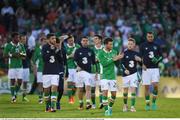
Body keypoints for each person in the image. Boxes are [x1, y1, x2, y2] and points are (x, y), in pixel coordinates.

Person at [98, 37, 123, 116]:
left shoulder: (114, 52)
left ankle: (110, 107)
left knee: (114, 95)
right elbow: (104, 64)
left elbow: (117, 64)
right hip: (104, 76)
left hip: (112, 76)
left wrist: (119, 59)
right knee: (104, 93)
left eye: (112, 44)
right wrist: (114, 59)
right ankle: (106, 111)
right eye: (110, 44)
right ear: (105, 44)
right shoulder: (100, 53)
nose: (112, 45)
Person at [140, 32, 162, 111]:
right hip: (146, 69)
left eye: (151, 36)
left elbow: (161, 56)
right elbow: (140, 57)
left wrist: (157, 60)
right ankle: (147, 104)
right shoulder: (142, 45)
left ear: (153, 37)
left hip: (155, 69)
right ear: (146, 37)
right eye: (149, 36)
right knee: (147, 87)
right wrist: (142, 64)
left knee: (155, 85)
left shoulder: (157, 46)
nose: (150, 38)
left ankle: (153, 103)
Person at [74, 36, 97, 110]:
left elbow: (94, 62)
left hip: (88, 72)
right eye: (83, 40)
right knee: (80, 89)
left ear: (88, 42)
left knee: (88, 87)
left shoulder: (91, 51)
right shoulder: (77, 50)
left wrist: (96, 72)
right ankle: (81, 103)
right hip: (79, 72)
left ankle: (87, 103)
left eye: (86, 41)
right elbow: (75, 60)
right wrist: (77, 66)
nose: (85, 42)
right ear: (81, 42)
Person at [42, 33, 63, 112]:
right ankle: (47, 106)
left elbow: (61, 60)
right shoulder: (44, 47)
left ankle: (53, 107)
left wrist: (58, 50)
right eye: (52, 38)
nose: (54, 40)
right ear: (48, 40)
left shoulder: (57, 47)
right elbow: (44, 58)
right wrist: (51, 49)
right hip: (46, 72)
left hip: (55, 71)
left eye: (55, 38)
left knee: (54, 88)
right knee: (46, 91)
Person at [3, 32, 26, 103]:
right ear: (13, 38)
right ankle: (13, 96)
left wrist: (20, 55)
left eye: (19, 37)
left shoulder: (21, 45)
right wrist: (12, 55)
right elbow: (4, 55)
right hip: (12, 66)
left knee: (20, 82)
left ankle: (15, 93)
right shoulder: (8, 45)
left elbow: (24, 55)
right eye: (16, 37)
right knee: (12, 81)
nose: (18, 39)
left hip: (19, 66)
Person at [121, 38, 142, 112]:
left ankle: (132, 106)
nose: (129, 45)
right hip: (125, 75)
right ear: (127, 44)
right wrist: (124, 70)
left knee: (133, 90)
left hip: (134, 74)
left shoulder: (137, 54)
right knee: (125, 91)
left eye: (131, 44)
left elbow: (142, 64)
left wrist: (140, 60)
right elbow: (121, 64)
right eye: (129, 44)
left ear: (134, 45)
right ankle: (125, 105)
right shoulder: (124, 53)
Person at [65, 35, 80, 104]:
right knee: (69, 84)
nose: (72, 42)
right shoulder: (65, 47)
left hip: (76, 67)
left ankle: (72, 95)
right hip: (69, 67)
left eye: (73, 40)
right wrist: (70, 56)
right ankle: (70, 99)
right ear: (67, 41)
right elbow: (64, 57)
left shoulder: (77, 46)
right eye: (70, 40)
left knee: (76, 84)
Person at [32, 35, 46, 104]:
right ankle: (40, 98)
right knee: (40, 84)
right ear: (41, 42)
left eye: (45, 42)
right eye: (43, 42)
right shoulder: (37, 50)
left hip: (47, 70)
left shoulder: (48, 49)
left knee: (46, 85)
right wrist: (34, 70)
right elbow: (33, 61)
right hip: (40, 69)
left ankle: (46, 97)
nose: (45, 43)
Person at [91, 35, 104, 109]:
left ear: (100, 40)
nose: (94, 40)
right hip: (93, 71)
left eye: (96, 39)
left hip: (101, 72)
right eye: (94, 39)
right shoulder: (92, 50)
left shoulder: (104, 49)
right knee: (92, 89)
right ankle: (93, 104)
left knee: (101, 88)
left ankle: (101, 103)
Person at [20, 34, 31, 102]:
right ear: (20, 39)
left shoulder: (27, 47)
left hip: (26, 67)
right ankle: (14, 95)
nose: (24, 40)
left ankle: (24, 96)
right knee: (18, 82)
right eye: (23, 39)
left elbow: (28, 58)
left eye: (25, 39)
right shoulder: (18, 47)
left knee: (25, 82)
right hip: (20, 67)